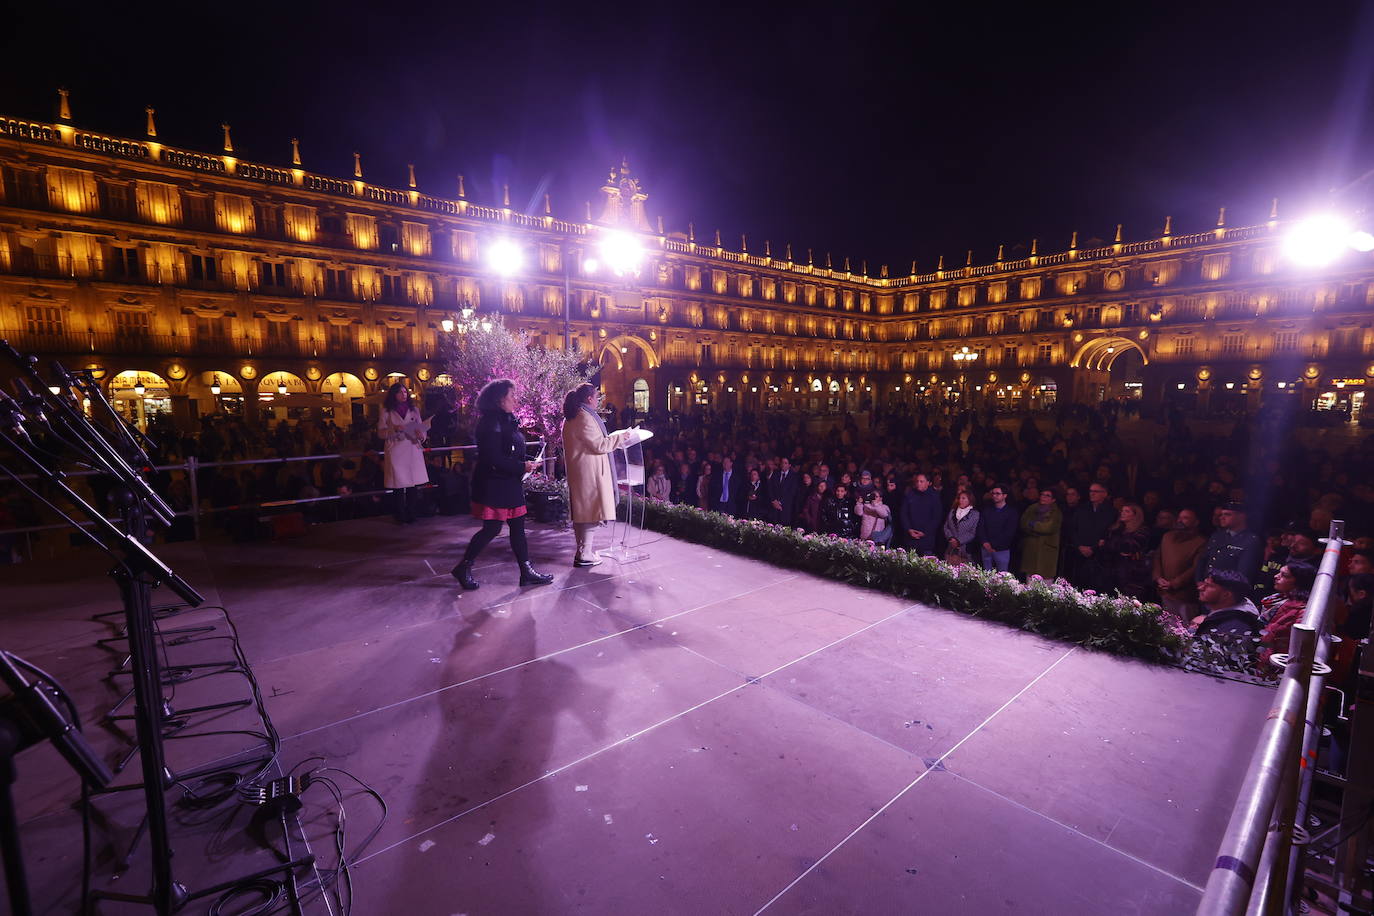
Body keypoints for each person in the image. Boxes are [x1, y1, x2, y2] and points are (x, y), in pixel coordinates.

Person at [450, 379, 552, 589]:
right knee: (492, 528)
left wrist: (525, 464)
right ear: (498, 400)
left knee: (518, 528)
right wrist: (521, 467)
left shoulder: (507, 419)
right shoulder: (490, 423)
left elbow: (511, 450)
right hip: (494, 484)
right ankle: (464, 566)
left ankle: (526, 571)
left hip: (509, 482)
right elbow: (492, 457)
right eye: (511, 395)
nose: (515, 399)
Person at [561, 383, 629, 568]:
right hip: (589, 473)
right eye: (597, 397)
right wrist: (621, 437)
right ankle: (584, 553)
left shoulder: (573, 417)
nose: (598, 400)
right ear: (589, 398)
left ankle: (583, 551)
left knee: (584, 512)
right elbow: (600, 445)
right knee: (591, 511)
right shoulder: (584, 418)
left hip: (582, 471)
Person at [377, 381, 429, 524]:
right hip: (396, 450)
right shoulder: (386, 411)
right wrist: (394, 430)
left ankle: (412, 513)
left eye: (405, 392)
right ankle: (399, 514)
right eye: (400, 392)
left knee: (413, 484)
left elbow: (421, 429)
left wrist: (421, 435)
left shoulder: (414, 410)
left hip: (412, 448)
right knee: (398, 485)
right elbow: (381, 433)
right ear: (393, 394)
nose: (403, 394)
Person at [1256, 562, 1318, 675]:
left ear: (1299, 582)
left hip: (1279, 669)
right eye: (1279, 573)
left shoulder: (1304, 610)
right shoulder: (1276, 600)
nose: (1276, 576)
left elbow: (1300, 648)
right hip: (1264, 661)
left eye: (1284, 575)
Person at [1153, 508, 1207, 621]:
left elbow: (1195, 568)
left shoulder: (1201, 541)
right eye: (1179, 517)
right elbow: (1158, 557)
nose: (1180, 520)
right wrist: (1158, 577)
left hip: (1185, 595)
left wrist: (1174, 583)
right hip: (1165, 592)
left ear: (1196, 522)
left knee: (1186, 628)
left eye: (1185, 518)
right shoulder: (1167, 536)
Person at [1195, 501, 1263, 586]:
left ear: (1241, 516)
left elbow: (1243, 575)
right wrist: (1199, 580)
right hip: (1206, 587)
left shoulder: (1250, 541)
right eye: (1221, 515)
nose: (1221, 518)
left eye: (1227, 514)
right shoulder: (1217, 536)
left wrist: (1215, 578)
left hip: (1227, 591)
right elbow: (1203, 560)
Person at [1191, 569, 1262, 641]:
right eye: (1204, 584)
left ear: (1226, 594)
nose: (1200, 588)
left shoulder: (1235, 628)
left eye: (1209, 586)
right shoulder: (1225, 617)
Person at [1070, 483, 1115, 591]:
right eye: (1090, 491)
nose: (1092, 494)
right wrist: (1079, 546)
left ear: (1104, 494)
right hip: (1079, 554)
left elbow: (1108, 534)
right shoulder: (1081, 509)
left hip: (1099, 557)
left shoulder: (1111, 512)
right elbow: (1072, 529)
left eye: (1096, 491)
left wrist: (1093, 548)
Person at [1103, 503, 1152, 598]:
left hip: (1131, 573)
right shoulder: (1116, 529)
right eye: (1122, 511)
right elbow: (1107, 547)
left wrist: (1114, 545)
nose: (1123, 513)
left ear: (1135, 515)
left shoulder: (1142, 531)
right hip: (1113, 570)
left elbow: (1128, 547)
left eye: (1127, 511)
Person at [1018, 488, 1062, 580]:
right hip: (1031, 548)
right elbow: (1024, 523)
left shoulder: (1056, 512)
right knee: (1029, 578)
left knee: (1045, 579)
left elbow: (1048, 528)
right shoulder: (1032, 508)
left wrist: (1033, 525)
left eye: (1047, 495)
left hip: (1046, 549)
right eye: (1042, 494)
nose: (1044, 497)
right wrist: (1034, 527)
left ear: (1053, 499)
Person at [976, 484, 1017, 573]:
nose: (994, 495)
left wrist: (994, 546)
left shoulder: (1011, 512)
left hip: (1002, 549)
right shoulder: (986, 510)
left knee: (1002, 576)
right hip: (986, 548)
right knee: (986, 575)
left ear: (1005, 495)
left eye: (997, 493)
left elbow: (1009, 532)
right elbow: (981, 527)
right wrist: (985, 542)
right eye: (993, 493)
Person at [900, 472, 943, 556]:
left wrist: (925, 532)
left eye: (921, 481)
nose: (918, 483)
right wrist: (909, 529)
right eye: (917, 481)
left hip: (927, 540)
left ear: (928, 483)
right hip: (911, 538)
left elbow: (936, 518)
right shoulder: (910, 495)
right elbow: (904, 513)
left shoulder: (934, 497)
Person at [943, 489, 980, 565]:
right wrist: (951, 538)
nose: (960, 500)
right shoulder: (952, 511)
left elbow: (973, 532)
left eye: (963, 498)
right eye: (959, 498)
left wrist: (959, 541)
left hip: (966, 549)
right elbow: (946, 527)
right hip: (951, 547)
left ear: (970, 500)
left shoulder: (975, 514)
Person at [768, 457, 801, 527]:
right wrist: (774, 501)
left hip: (786, 508)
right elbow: (770, 488)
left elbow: (792, 493)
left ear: (789, 465)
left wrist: (780, 503)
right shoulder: (775, 473)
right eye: (782, 462)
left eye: (785, 463)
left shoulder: (794, 476)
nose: (783, 464)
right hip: (774, 507)